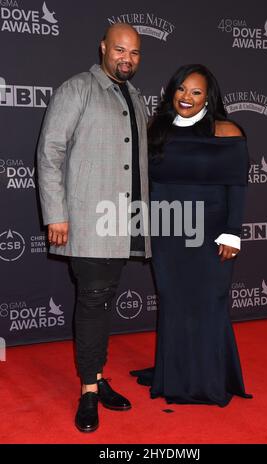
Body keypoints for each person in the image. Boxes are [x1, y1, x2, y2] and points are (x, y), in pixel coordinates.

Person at [37, 23, 151, 432]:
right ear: (103, 47)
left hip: (122, 221)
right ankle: (88, 390)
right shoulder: (77, 88)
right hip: (87, 219)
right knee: (92, 301)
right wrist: (56, 213)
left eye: (134, 53)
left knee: (101, 302)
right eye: (120, 50)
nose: (127, 58)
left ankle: (97, 377)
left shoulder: (135, 97)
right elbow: (50, 152)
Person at [131, 64, 252, 406]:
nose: (187, 97)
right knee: (173, 303)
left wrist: (233, 233)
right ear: (172, 91)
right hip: (168, 233)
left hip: (211, 234)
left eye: (196, 92)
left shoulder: (225, 131)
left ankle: (209, 380)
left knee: (209, 304)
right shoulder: (157, 128)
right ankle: (176, 376)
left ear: (208, 98)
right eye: (182, 89)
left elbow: (237, 186)